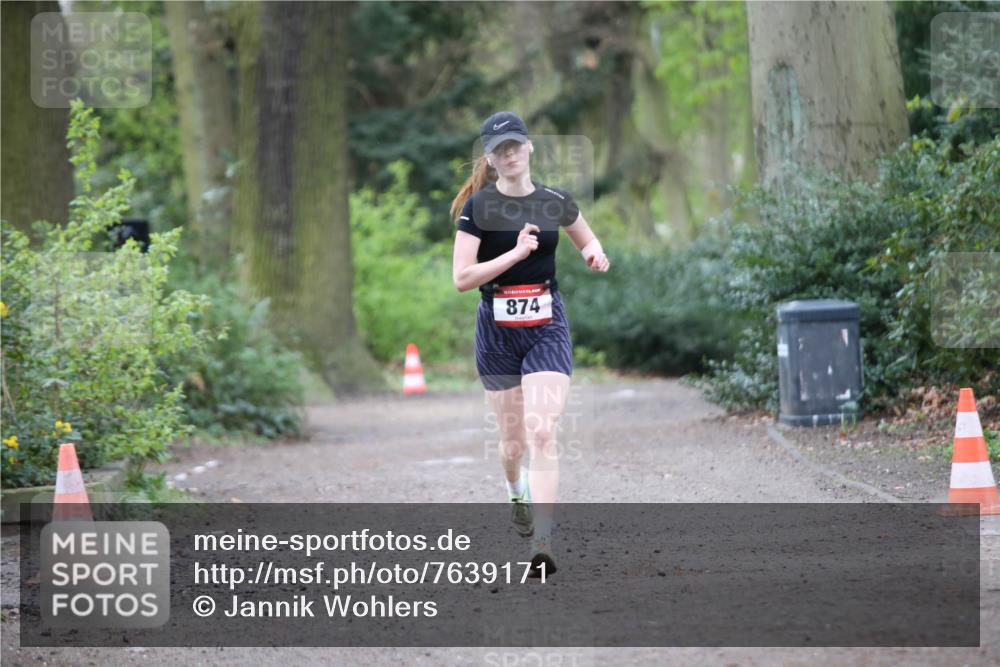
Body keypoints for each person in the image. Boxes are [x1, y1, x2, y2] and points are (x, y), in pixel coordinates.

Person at [450, 111, 610, 576]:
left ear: (530, 148)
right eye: (500, 148)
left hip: (546, 324)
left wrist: (594, 254)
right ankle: (514, 490)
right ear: (490, 158)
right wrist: (515, 253)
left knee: (542, 431)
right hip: (496, 329)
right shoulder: (477, 209)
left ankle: (543, 544)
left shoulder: (555, 200)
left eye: (516, 144)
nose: (510, 153)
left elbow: (586, 239)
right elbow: (462, 279)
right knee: (514, 444)